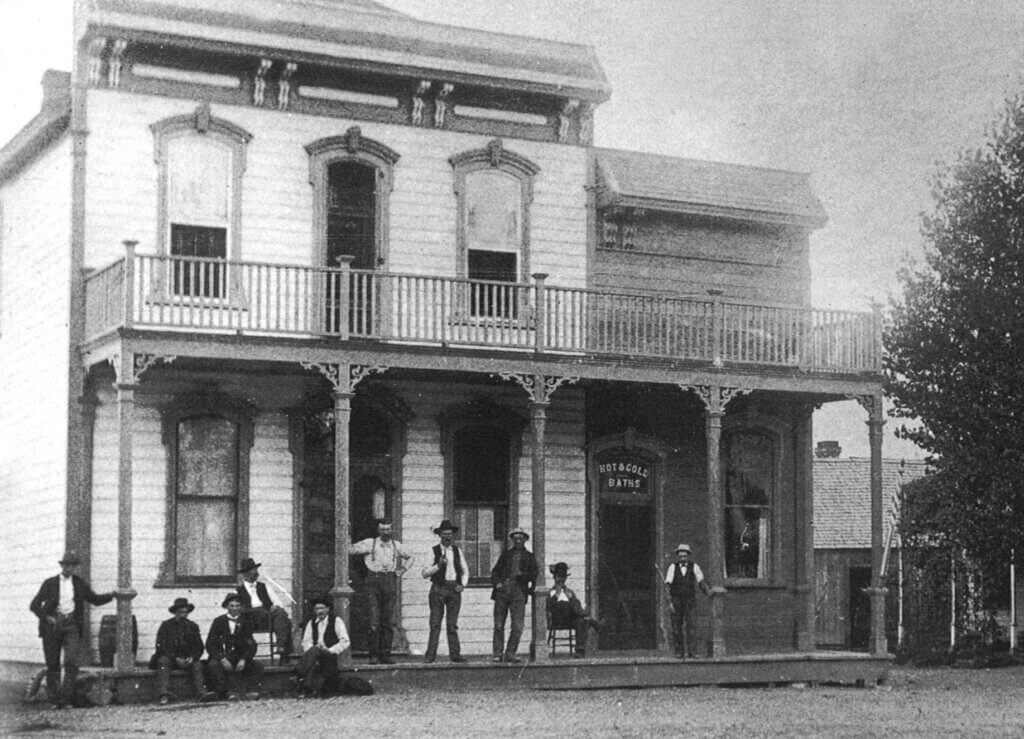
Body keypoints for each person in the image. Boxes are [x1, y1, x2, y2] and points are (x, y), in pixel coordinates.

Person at [29, 552, 116, 708]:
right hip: (52, 626)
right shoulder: (50, 583)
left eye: (72, 566)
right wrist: (47, 617)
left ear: (75, 567)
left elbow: (94, 600)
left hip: (72, 625)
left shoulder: (79, 583)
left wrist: (112, 595)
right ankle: (54, 700)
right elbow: (34, 605)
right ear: (62, 566)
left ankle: (66, 699)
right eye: (66, 565)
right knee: (53, 664)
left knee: (71, 661)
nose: (69, 568)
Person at [350, 519, 413, 664]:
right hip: (373, 580)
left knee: (388, 621)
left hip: (390, 580)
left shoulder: (396, 545)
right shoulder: (370, 543)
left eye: (388, 529)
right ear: (378, 531)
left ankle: (385, 654)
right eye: (383, 529)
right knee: (374, 620)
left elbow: (411, 556)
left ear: (391, 530)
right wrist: (346, 537)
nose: (385, 532)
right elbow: (351, 550)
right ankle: (373, 655)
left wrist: (402, 570)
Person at [149, 597, 216, 705]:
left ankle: (201, 693)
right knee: (162, 662)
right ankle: (163, 694)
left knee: (198, 665)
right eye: (180, 612)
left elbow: (199, 647)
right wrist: (175, 658)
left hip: (187, 659)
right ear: (175, 612)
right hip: (171, 658)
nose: (183, 615)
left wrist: (192, 657)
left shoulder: (193, 626)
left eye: (185, 612)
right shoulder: (166, 625)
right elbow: (160, 646)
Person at [420, 519, 469, 664]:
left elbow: (465, 571)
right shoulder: (432, 550)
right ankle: (430, 656)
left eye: (450, 534)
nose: (447, 536)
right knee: (435, 623)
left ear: (453, 535)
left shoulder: (457, 550)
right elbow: (424, 573)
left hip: (454, 589)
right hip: (438, 588)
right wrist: (438, 566)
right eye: (444, 534)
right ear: (439, 535)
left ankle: (455, 655)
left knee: (452, 624)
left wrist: (462, 585)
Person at [490, 527, 537, 663]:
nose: (517, 541)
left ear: (525, 540)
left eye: (520, 538)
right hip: (503, 591)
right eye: (515, 539)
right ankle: (497, 653)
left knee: (517, 626)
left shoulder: (530, 557)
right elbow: (495, 572)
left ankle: (510, 653)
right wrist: (498, 583)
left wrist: (523, 575)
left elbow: (534, 574)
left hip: (519, 591)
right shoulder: (505, 555)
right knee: (499, 624)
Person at [205, 593, 264, 701]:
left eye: (237, 606)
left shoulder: (245, 622)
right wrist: (222, 658)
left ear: (241, 607)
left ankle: (251, 691)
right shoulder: (218, 621)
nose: (235, 608)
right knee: (214, 665)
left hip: (238, 656)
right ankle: (226, 692)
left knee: (257, 665)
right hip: (223, 656)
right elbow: (210, 644)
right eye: (232, 605)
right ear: (227, 607)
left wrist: (243, 659)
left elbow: (251, 644)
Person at [236, 557, 294, 657]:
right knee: (285, 621)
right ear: (245, 574)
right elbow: (238, 610)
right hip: (250, 620)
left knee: (282, 615)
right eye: (252, 570)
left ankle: (281, 645)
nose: (255, 572)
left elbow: (278, 603)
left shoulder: (265, 586)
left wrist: (275, 607)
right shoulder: (238, 590)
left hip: (267, 618)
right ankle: (284, 650)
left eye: (255, 569)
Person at [294, 596, 351, 698]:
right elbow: (306, 641)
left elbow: (345, 641)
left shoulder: (336, 621)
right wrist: (312, 650)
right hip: (315, 655)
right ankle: (308, 689)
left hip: (330, 654)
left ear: (328, 609)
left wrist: (330, 650)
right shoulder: (311, 623)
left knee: (316, 651)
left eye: (322, 608)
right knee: (315, 652)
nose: (319, 611)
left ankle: (299, 673)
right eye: (317, 609)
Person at [663, 543, 710, 659]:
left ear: (688, 556)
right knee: (676, 627)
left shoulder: (694, 567)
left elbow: (701, 581)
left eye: (685, 556)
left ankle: (692, 652)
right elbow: (668, 583)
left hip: (690, 601)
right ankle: (679, 652)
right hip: (676, 601)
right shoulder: (672, 567)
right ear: (678, 557)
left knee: (692, 626)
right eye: (680, 556)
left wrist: (708, 592)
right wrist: (668, 590)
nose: (683, 558)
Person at [546, 562, 601, 658]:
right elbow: (547, 606)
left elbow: (577, 607)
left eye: (563, 578)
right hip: (558, 618)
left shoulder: (569, 592)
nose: (561, 580)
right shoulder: (550, 592)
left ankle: (579, 651)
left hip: (570, 619)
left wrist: (571, 598)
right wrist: (556, 596)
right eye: (559, 577)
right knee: (580, 615)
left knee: (581, 620)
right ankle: (593, 622)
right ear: (554, 577)